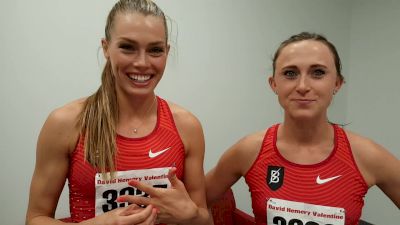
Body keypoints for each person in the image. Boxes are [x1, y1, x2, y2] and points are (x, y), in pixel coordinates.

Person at [26, 0, 211, 224]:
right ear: (106, 48)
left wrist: (191, 215)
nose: (142, 63)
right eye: (127, 47)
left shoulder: (187, 126)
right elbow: (35, 219)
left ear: (167, 52)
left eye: (155, 50)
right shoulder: (66, 123)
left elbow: (204, 219)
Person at [205, 32, 400, 225]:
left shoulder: (366, 155)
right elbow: (195, 203)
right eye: (290, 73)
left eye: (318, 73)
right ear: (274, 84)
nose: (303, 86)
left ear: (337, 84)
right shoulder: (249, 150)